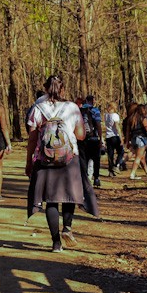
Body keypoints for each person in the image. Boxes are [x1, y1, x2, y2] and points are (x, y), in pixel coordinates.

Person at [26, 74, 99, 252]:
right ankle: (67, 228)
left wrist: (29, 161)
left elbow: (33, 137)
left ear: (45, 89)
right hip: (69, 157)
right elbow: (81, 135)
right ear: (63, 89)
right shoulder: (73, 108)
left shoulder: (38, 108)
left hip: (45, 159)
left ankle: (56, 242)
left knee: (51, 200)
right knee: (68, 196)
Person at [79, 95, 104, 188]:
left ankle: (84, 179)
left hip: (82, 139)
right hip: (93, 139)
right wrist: (101, 138)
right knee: (96, 159)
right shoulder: (95, 110)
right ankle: (96, 178)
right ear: (92, 101)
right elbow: (98, 125)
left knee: (84, 159)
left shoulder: (79, 110)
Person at [123, 102, 147, 180]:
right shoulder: (143, 118)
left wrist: (127, 141)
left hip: (134, 139)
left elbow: (128, 132)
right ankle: (133, 174)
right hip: (141, 139)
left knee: (137, 155)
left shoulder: (131, 119)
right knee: (138, 157)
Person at [104, 102, 125, 176]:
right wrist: (121, 138)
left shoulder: (106, 115)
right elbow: (117, 126)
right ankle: (116, 165)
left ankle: (110, 171)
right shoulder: (115, 115)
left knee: (110, 154)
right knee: (121, 152)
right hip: (115, 136)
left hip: (108, 136)